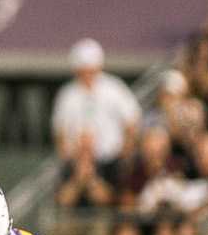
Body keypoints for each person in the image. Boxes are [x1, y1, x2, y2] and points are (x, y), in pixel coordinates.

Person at [50, 38, 141, 181]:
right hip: (78, 163)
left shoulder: (114, 88)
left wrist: (124, 154)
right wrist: (70, 159)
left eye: (90, 70)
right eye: (83, 71)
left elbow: (131, 121)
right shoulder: (68, 94)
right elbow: (60, 131)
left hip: (112, 161)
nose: (87, 75)